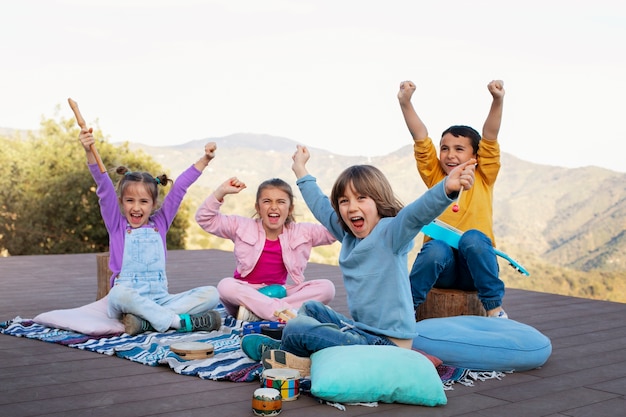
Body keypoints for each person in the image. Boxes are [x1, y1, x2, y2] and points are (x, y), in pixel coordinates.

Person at [240, 145, 476, 376]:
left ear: (378, 201)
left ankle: (287, 354)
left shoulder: (391, 234)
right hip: (360, 333)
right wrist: (300, 169)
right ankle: (293, 348)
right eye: (344, 201)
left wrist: (447, 187)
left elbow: (416, 213)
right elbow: (320, 206)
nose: (352, 207)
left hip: (387, 346)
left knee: (297, 327)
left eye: (361, 198)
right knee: (311, 308)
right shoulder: (349, 235)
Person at [78, 127, 222, 336]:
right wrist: (89, 151)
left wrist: (205, 159)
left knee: (211, 294)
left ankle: (145, 322)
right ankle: (175, 322)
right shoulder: (117, 224)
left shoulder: (160, 223)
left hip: (160, 299)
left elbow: (180, 187)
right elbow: (103, 185)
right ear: (121, 202)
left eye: (143, 201)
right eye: (130, 201)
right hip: (128, 298)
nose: (136, 207)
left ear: (154, 204)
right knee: (117, 294)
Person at [397, 79, 508, 318]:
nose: (450, 155)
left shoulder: (484, 175)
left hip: (474, 271)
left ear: (475, 155)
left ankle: (494, 309)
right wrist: (405, 102)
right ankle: (404, 312)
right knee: (436, 248)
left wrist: (497, 100)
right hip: (442, 269)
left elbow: (490, 135)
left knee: (474, 238)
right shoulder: (436, 175)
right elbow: (420, 137)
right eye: (445, 148)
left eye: (459, 149)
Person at [195, 176, 337, 322]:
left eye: (281, 202)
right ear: (258, 208)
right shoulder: (241, 225)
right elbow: (205, 219)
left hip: (280, 292)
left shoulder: (302, 232)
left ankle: (262, 313)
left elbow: (334, 231)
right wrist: (221, 192)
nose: (274, 207)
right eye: (267, 201)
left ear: (290, 209)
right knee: (225, 286)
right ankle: (284, 312)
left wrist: (334, 203)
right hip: (247, 294)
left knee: (327, 288)